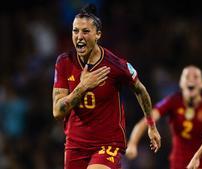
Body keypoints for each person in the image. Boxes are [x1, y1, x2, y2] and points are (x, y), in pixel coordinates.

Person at [52, 4, 161, 169]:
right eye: (75, 31)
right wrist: (83, 87)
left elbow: (140, 90)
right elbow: (57, 112)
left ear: (98, 34)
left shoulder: (115, 65)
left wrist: (151, 125)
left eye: (85, 31)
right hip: (75, 145)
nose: (79, 36)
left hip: (108, 144)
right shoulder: (64, 62)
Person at [126, 65, 202, 169]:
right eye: (187, 76)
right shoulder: (173, 101)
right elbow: (148, 119)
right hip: (178, 165)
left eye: (195, 77)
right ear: (181, 83)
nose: (191, 79)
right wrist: (132, 143)